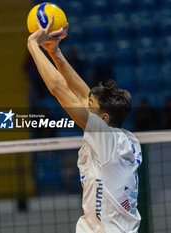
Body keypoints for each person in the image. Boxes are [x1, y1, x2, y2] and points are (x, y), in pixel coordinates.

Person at [27, 17, 141, 232]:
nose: (84, 104)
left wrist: (33, 45)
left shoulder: (106, 139)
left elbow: (58, 89)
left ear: (103, 118)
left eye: (90, 106)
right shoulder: (123, 137)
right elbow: (82, 94)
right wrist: (54, 52)